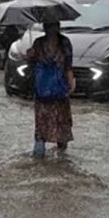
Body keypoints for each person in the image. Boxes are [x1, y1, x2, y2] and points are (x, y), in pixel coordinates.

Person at [26, 22, 75, 158]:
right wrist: (71, 84)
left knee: (43, 123)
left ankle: (40, 154)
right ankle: (61, 155)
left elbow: (30, 64)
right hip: (58, 90)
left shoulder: (39, 43)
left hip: (44, 91)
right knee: (60, 121)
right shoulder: (64, 42)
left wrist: (29, 55)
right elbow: (68, 67)